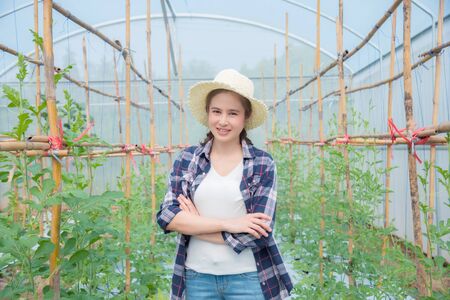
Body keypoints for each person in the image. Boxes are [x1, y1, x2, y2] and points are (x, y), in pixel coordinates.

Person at [157, 69, 293, 300]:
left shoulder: (262, 163)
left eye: (232, 113)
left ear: (245, 117)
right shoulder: (188, 160)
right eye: (216, 111)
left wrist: (194, 223)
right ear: (208, 113)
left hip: (248, 279)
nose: (223, 121)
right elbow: (167, 217)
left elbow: (258, 234)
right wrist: (231, 223)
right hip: (196, 278)